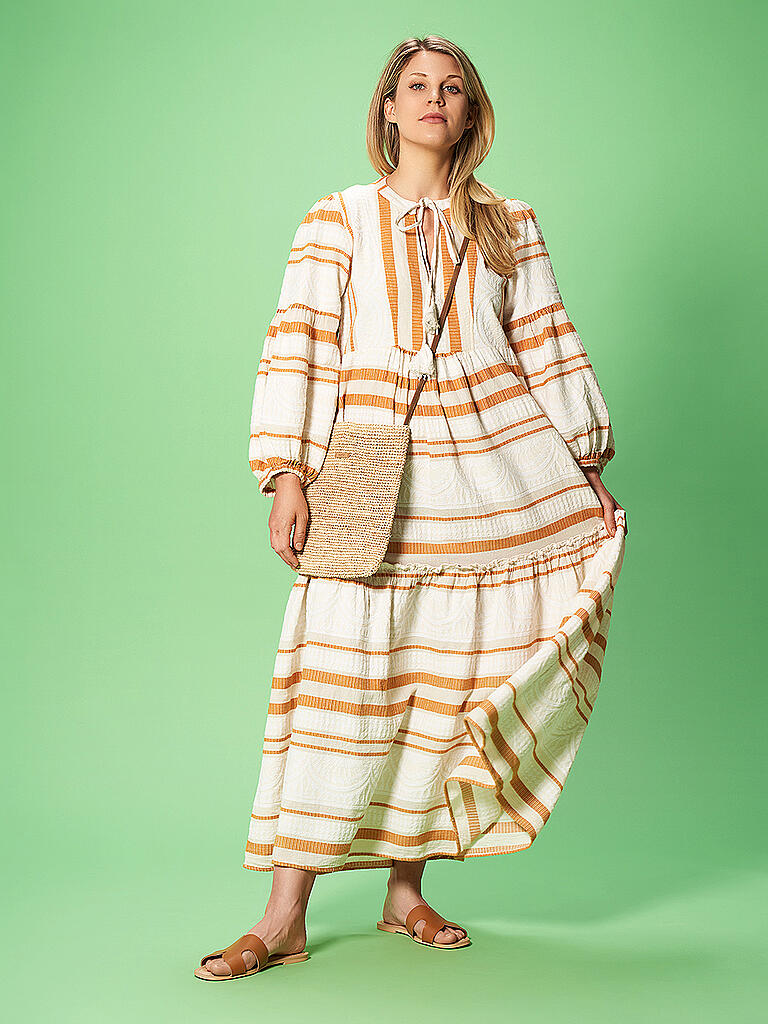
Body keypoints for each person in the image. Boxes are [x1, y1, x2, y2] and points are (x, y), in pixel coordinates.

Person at [195, 33, 628, 981]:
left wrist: (588, 467)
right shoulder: (338, 218)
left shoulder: (510, 223)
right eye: (418, 86)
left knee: (446, 680)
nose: (436, 98)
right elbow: (300, 343)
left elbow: (547, 344)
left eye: (454, 88)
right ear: (388, 108)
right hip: (367, 463)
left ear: (470, 114)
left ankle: (405, 893)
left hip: (494, 467)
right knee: (339, 680)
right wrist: (286, 473)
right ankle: (283, 915)